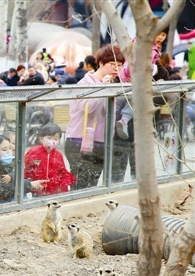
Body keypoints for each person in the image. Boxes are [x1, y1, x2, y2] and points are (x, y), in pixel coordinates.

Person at [65, 44, 125, 191]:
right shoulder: (86, 83)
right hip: (79, 140)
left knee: (91, 186)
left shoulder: (111, 84)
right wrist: (103, 89)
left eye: (120, 66)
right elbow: (89, 108)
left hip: (101, 142)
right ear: (100, 63)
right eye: (113, 65)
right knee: (80, 186)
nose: (116, 69)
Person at [116, 28, 169, 139]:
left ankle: (144, 124)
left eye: (163, 34)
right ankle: (127, 121)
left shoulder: (139, 42)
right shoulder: (147, 46)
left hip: (129, 77)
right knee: (140, 99)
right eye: (158, 33)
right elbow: (140, 64)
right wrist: (152, 69)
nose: (160, 37)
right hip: (133, 78)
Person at [24, 123, 76, 196]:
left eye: (56, 139)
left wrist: (63, 193)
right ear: (41, 139)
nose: (52, 141)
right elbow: (26, 170)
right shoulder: (33, 152)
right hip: (36, 191)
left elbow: (62, 174)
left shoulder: (58, 155)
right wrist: (27, 187)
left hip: (53, 192)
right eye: (49, 138)